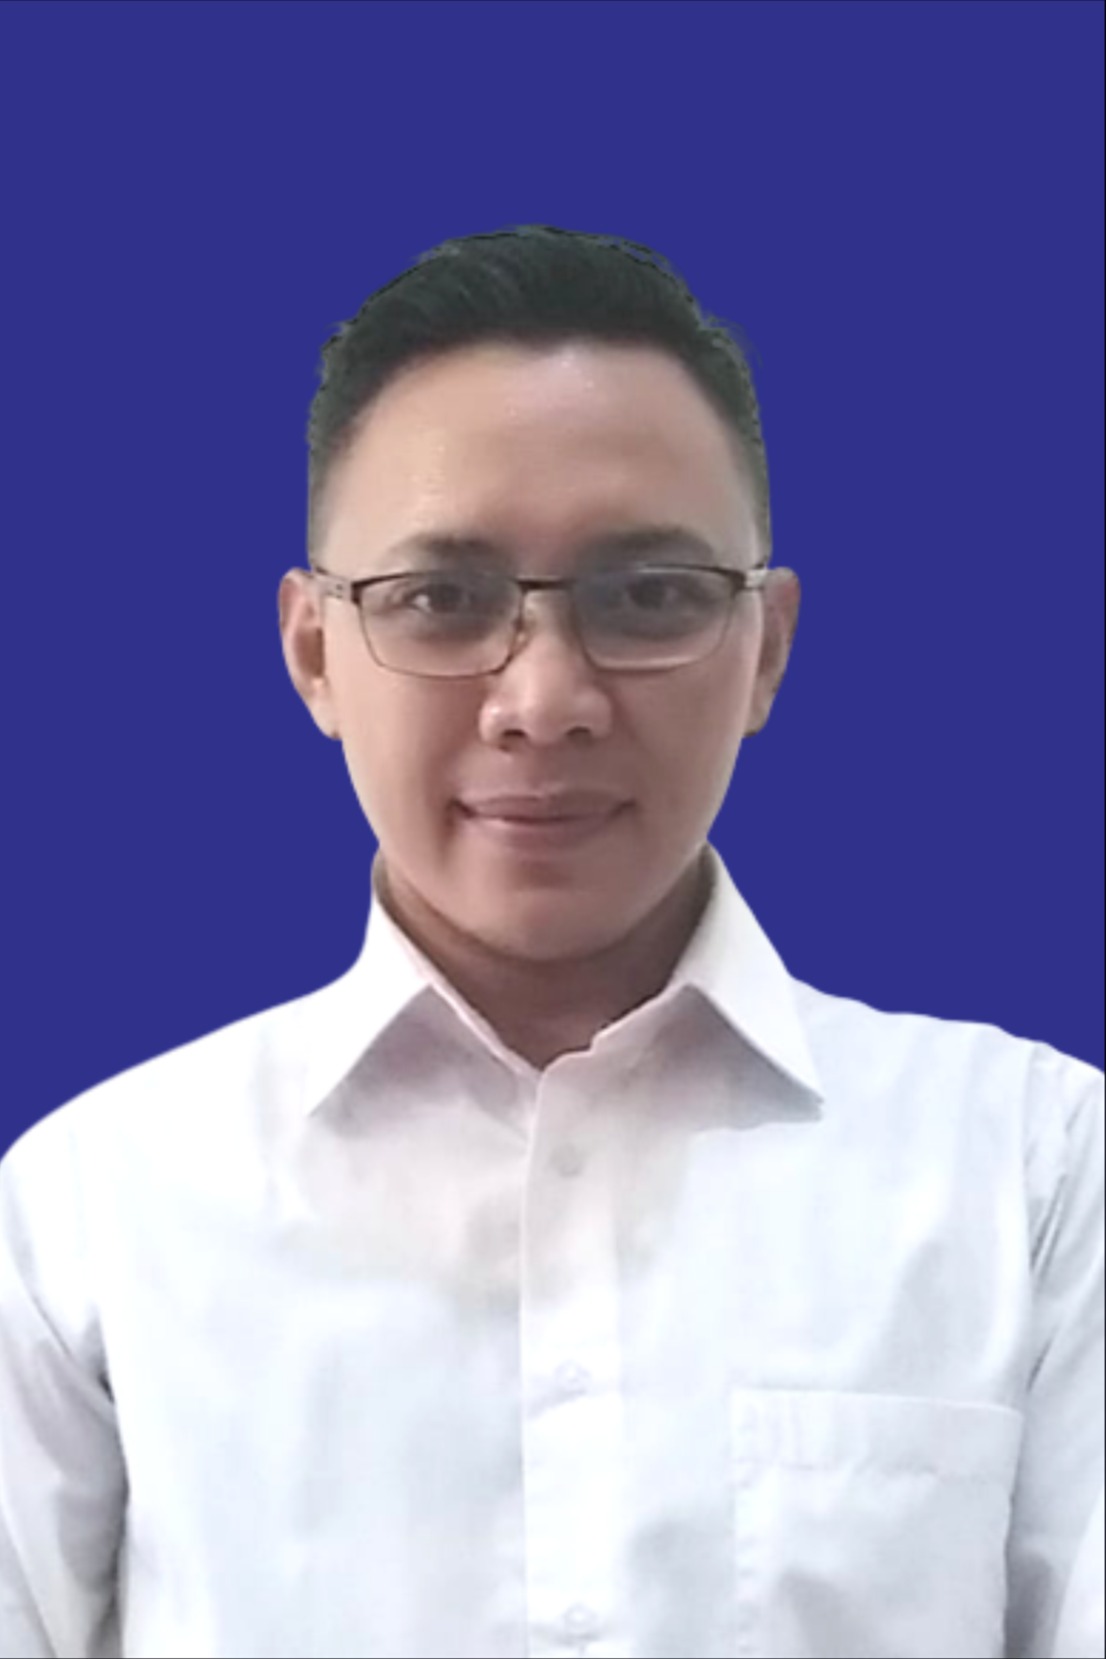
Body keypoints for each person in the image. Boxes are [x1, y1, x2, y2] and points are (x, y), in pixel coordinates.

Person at [0, 224, 1101, 1659]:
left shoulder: (1032, 1173)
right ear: (314, 651)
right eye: (441, 601)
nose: (543, 701)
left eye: (646, 597)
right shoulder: (91, 1213)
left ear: (766, 648)